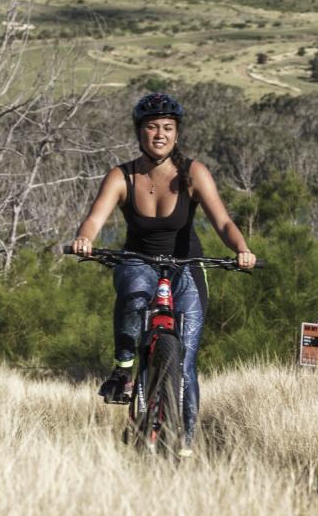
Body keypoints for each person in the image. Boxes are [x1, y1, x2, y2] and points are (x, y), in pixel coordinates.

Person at [72, 91, 256, 453]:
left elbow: (223, 221)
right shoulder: (122, 176)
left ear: (177, 133)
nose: (159, 134)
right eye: (152, 127)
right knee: (131, 289)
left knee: (185, 363)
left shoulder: (193, 172)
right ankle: (124, 366)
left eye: (167, 128)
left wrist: (241, 249)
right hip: (138, 260)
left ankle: (184, 441)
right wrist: (84, 238)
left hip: (186, 266)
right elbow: (95, 218)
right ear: (139, 132)